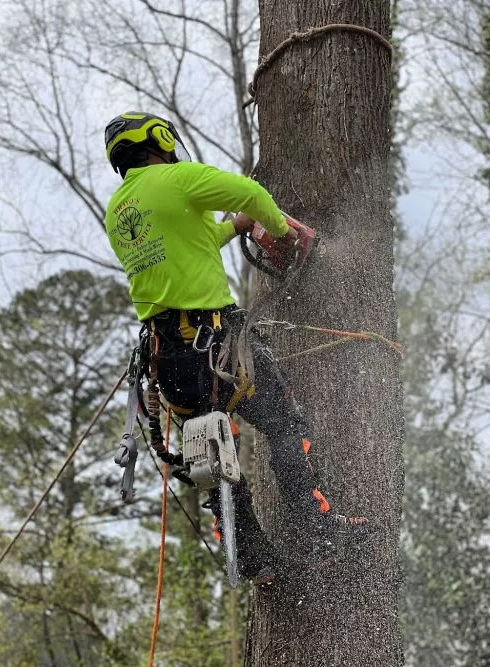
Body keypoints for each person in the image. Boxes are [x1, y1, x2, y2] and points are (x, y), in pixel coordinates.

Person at [104, 111, 367, 585]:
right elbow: (252, 193)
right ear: (161, 140)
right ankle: (317, 527)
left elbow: (196, 240)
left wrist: (237, 227)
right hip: (218, 346)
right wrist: (282, 232)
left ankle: (250, 558)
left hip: (170, 359)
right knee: (284, 423)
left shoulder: (119, 209)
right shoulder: (177, 177)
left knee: (213, 458)